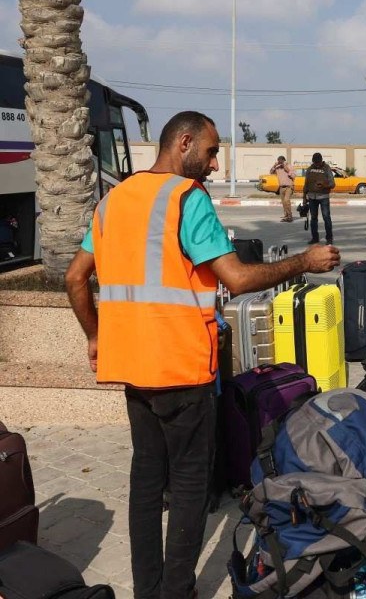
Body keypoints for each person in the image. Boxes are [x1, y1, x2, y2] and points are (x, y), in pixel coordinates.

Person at [64, 111, 340, 599]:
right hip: (181, 368)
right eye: (211, 151)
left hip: (132, 368)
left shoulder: (114, 199)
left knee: (147, 479)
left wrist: (95, 334)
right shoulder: (186, 200)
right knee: (190, 484)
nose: (214, 164)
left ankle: (148, 591)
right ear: (184, 142)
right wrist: (305, 261)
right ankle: (177, 592)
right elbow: (237, 279)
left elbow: (74, 278)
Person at [303, 152, 336, 245]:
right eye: (315, 163)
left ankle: (329, 238)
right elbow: (306, 184)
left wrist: (324, 185)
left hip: (323, 197)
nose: (316, 164)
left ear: (321, 161)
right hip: (312, 198)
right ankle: (315, 238)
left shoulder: (326, 168)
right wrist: (304, 199)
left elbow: (333, 184)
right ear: (313, 161)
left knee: (326, 218)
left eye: (318, 162)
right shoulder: (310, 169)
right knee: (313, 219)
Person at [270, 155, 296, 223]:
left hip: (289, 186)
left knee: (286, 200)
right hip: (281, 187)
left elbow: (293, 176)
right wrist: (274, 165)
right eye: (278, 161)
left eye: (281, 161)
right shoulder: (277, 168)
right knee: (284, 202)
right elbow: (271, 172)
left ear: (284, 161)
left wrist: (286, 169)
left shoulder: (289, 166)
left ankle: (290, 216)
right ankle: (286, 216)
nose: (280, 162)